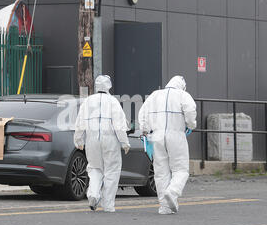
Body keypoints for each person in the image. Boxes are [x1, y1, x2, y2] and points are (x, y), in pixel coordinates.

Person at [139, 75, 197, 215]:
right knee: (181, 169)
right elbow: (190, 112)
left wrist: (145, 131)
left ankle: (164, 207)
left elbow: (142, 113)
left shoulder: (154, 95)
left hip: (156, 137)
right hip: (176, 135)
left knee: (161, 172)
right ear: (182, 85)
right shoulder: (183, 95)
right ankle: (172, 192)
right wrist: (191, 125)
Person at [74, 75, 130, 212]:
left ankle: (93, 194)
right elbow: (119, 125)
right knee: (112, 171)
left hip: (92, 139)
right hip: (110, 139)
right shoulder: (113, 102)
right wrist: (125, 142)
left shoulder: (87, 101)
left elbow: (79, 122)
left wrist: (78, 140)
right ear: (109, 86)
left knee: (94, 168)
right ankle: (108, 205)